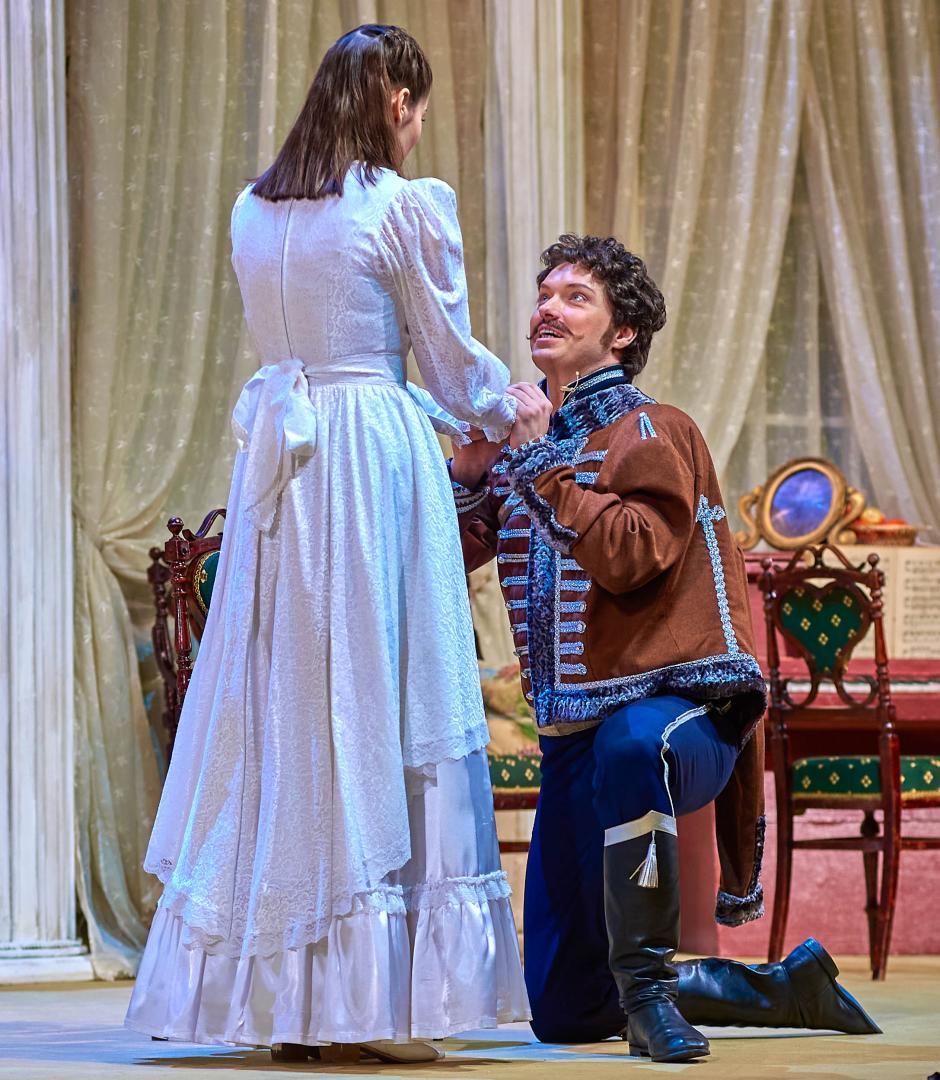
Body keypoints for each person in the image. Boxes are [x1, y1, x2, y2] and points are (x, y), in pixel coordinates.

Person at [125, 25, 529, 1065]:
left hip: (285, 470)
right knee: (380, 689)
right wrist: (509, 405)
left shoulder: (251, 210)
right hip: (364, 462)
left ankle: (287, 1002)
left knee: (291, 707)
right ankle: (372, 1002)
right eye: (418, 107)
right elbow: (445, 360)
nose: (419, 126)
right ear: (395, 102)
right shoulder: (400, 207)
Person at [450, 235, 880, 1063]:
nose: (548, 307)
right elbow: (439, 559)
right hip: (572, 739)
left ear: (622, 333)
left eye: (575, 296)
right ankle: (784, 989)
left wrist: (537, 462)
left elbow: (631, 553)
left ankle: (649, 999)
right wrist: (471, 474)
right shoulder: (527, 448)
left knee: (630, 742)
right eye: (544, 293)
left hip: (684, 718)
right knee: (566, 1011)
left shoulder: (656, 428)